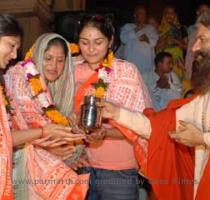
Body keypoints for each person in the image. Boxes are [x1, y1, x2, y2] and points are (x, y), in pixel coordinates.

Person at [0, 16, 89, 199]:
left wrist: (68, 152)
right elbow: (14, 132)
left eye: (60, 60)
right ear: (38, 55)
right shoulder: (20, 78)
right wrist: (47, 147)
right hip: (18, 165)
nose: (54, 66)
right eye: (48, 58)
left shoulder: (56, 87)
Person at [74, 14, 151, 200]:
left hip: (119, 170)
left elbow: (143, 124)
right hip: (82, 166)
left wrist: (105, 133)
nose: (91, 49)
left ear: (110, 41)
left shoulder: (126, 72)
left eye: (98, 42)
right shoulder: (72, 71)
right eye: (84, 42)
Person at [119, 4, 158, 77]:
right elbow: (123, 39)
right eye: (140, 13)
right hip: (131, 65)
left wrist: (147, 39)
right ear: (135, 15)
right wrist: (137, 29)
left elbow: (154, 42)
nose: (143, 15)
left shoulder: (151, 28)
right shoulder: (127, 27)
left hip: (147, 66)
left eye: (144, 13)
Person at [156, 5, 187, 83]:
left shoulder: (182, 28)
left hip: (178, 61)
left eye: (171, 13)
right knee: (166, 84)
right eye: (167, 13)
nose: (169, 15)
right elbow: (155, 48)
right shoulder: (158, 29)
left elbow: (187, 47)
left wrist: (177, 42)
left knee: (179, 83)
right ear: (164, 14)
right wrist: (166, 40)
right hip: (164, 61)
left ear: (175, 15)